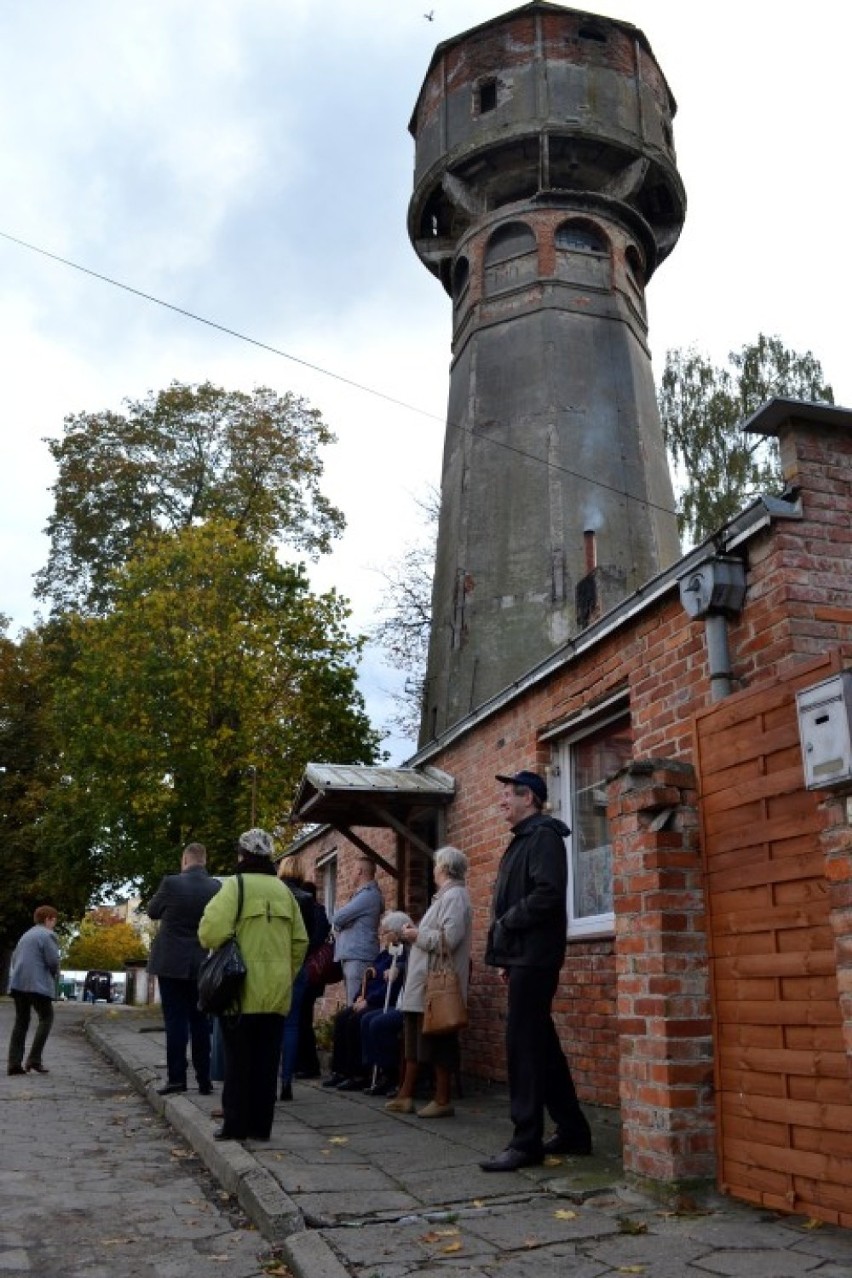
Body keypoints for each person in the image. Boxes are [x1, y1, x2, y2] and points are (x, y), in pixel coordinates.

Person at [479, 770, 592, 1172]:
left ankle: (526, 1142)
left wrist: (508, 924)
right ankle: (574, 1131)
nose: (502, 800)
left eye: (510, 794)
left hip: (536, 956)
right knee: (541, 1047)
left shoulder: (542, 835)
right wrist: (508, 955)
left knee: (523, 1049)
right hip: (525, 957)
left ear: (531, 798)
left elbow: (546, 894)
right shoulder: (524, 839)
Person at [198, 828, 307, 1142]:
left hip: (241, 991)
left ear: (242, 855)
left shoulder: (236, 887)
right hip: (276, 994)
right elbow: (300, 941)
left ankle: (235, 1126)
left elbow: (210, 932)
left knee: (238, 1063)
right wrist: (285, 973)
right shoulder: (284, 892)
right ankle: (261, 1127)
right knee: (267, 1063)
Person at [385, 846, 472, 1120]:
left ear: (444, 867)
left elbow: (448, 940)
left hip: (436, 985)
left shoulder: (456, 897)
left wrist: (415, 935)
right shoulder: (443, 898)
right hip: (423, 983)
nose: (433, 869)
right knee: (415, 1040)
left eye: (436, 865)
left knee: (440, 1041)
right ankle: (406, 1095)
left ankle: (442, 1098)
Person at [146, 841, 221, 1096]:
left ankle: (177, 1079)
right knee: (200, 1022)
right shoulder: (216, 887)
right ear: (204, 860)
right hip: (201, 963)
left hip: (170, 962)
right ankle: (204, 1080)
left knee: (176, 1022)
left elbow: (153, 911)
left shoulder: (171, 883)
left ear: (185, 860)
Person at [321, 911, 409, 1092]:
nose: (382, 935)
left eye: (385, 932)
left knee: (357, 1020)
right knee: (342, 1018)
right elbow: (368, 978)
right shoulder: (384, 954)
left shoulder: (402, 955)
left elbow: (391, 988)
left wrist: (368, 1001)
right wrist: (359, 998)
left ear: (397, 933)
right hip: (370, 999)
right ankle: (342, 1070)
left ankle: (360, 1073)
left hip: (385, 1001)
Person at [276, 852, 323, 1101]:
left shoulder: (274, 894)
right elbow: (313, 937)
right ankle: (287, 1080)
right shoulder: (307, 899)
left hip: (273, 966)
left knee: (271, 1023)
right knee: (292, 1024)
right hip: (298, 966)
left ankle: (268, 1076)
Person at [7, 905, 61, 1075]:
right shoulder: (48, 935)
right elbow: (53, 961)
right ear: (48, 919)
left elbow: (15, 958)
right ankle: (34, 1059)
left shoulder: (26, 935)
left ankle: (14, 1063)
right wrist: (54, 977)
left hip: (18, 983)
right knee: (46, 1017)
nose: (54, 923)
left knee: (21, 1022)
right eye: (54, 920)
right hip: (37, 984)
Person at [332, 856, 383, 1004]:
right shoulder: (362, 895)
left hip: (359, 957)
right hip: (354, 955)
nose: (351, 873)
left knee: (355, 1004)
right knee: (352, 1004)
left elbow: (338, 918)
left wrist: (343, 922)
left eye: (353, 869)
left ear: (360, 871)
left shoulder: (368, 895)